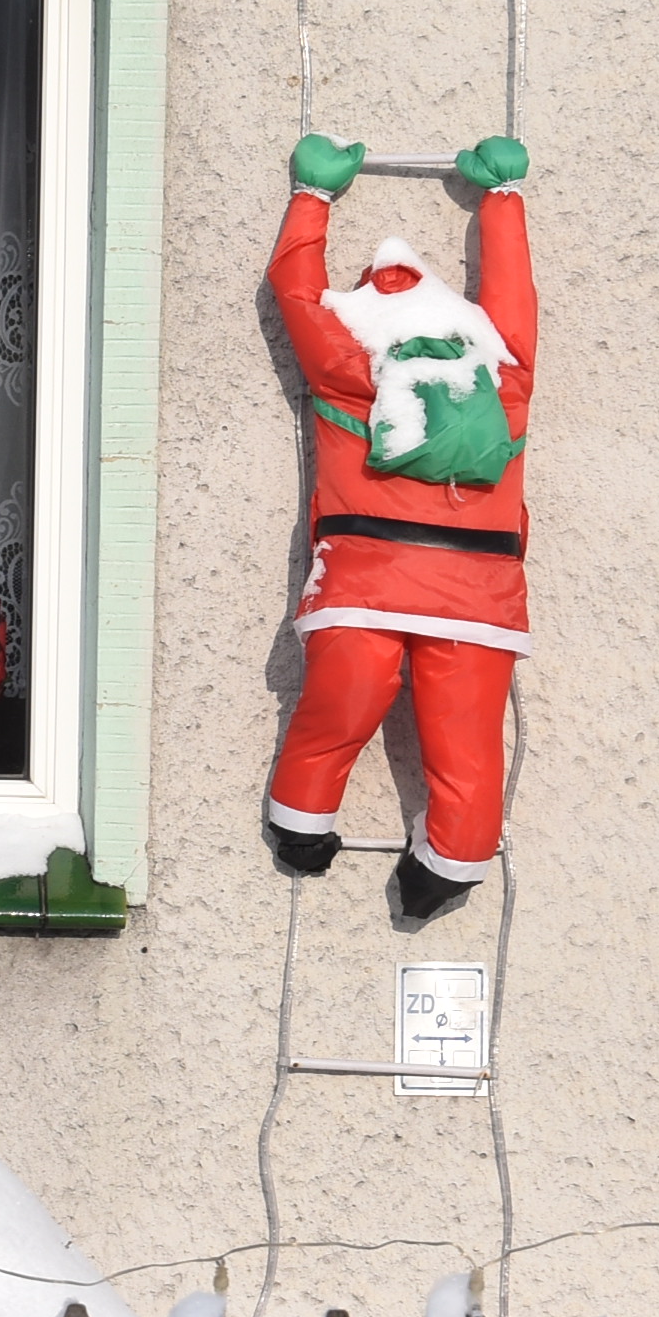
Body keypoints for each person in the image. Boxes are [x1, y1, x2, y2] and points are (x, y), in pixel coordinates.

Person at [261, 129, 534, 923]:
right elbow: (515, 295)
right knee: (468, 743)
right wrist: (502, 200)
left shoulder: (351, 365)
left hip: (364, 583)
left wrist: (312, 197)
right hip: (481, 592)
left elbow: (296, 290)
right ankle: (448, 869)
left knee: (338, 711)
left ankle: (301, 828)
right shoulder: (503, 370)